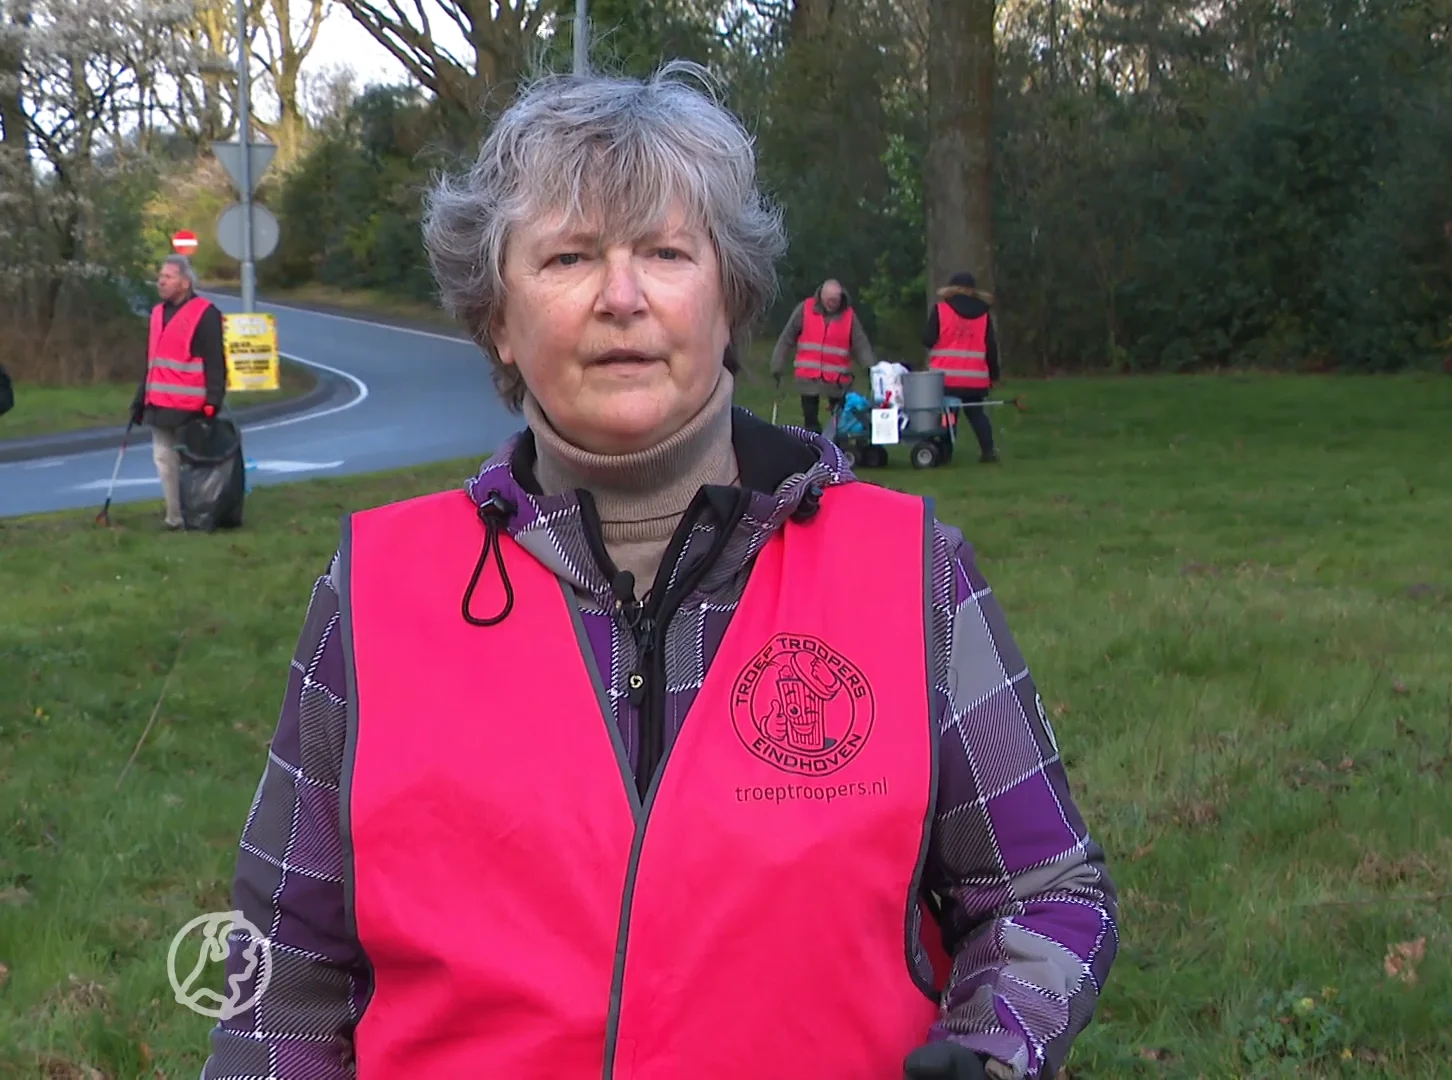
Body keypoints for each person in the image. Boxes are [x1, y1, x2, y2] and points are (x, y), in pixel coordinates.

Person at [201, 62, 1117, 1080]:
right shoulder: (375, 591)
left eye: (666, 252)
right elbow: (281, 964)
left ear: (729, 300)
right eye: (569, 257)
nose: (622, 297)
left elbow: (1044, 893)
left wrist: (996, 1047)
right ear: (497, 317)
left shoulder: (911, 572)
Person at [132, 254, 226, 529]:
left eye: (168, 277)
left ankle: (198, 512)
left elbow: (215, 361)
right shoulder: (157, 313)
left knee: (193, 463)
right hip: (159, 402)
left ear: (185, 283)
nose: (160, 281)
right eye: (160, 276)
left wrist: (214, 400)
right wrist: (140, 398)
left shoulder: (205, 313)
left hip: (191, 405)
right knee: (164, 460)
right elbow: (153, 360)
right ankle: (174, 516)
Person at [769, 277, 877, 435]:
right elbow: (787, 338)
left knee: (839, 420)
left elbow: (861, 344)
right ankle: (813, 442)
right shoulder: (805, 309)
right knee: (811, 421)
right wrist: (777, 364)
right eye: (829, 300)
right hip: (808, 376)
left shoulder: (849, 316)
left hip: (838, 379)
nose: (833, 304)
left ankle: (836, 444)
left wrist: (871, 368)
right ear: (821, 296)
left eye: (836, 300)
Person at [923, 271, 1000, 462]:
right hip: (975, 378)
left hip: (946, 377)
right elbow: (991, 348)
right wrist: (994, 376)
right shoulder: (984, 315)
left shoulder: (941, 310)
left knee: (949, 416)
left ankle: (945, 453)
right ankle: (988, 451)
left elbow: (928, 339)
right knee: (977, 415)